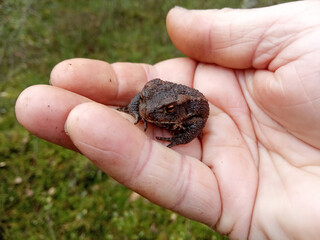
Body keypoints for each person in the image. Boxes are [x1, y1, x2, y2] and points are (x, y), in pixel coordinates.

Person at [15, 1, 320, 239]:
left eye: (166, 112)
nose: (152, 112)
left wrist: (181, 136)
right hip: (162, 92)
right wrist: (136, 109)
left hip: (185, 100)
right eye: (148, 107)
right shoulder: (150, 96)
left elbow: (201, 120)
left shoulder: (191, 109)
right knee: (131, 104)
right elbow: (146, 94)